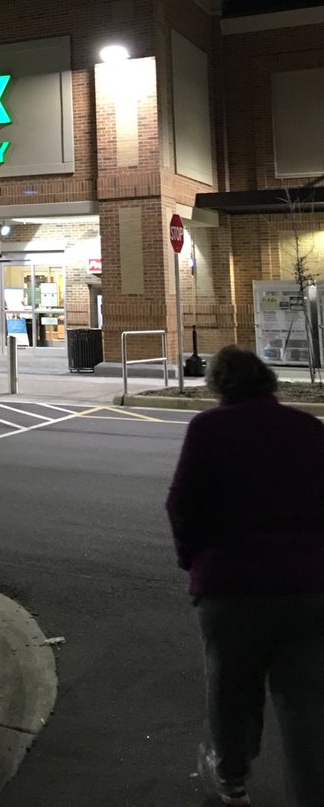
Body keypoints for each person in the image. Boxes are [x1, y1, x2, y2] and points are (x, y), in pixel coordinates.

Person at [165, 344, 324, 806]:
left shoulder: (208, 429)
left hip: (231, 588)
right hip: (308, 587)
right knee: (306, 703)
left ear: (218, 385)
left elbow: (182, 504)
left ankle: (233, 782)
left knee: (232, 691)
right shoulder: (307, 427)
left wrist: (193, 561)